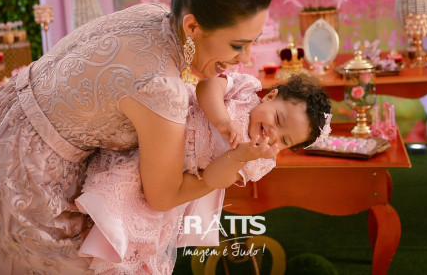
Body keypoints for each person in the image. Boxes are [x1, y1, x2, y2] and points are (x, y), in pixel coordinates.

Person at [0, 0, 279, 274]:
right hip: (23, 183)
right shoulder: (162, 89)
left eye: (253, 42)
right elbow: (163, 196)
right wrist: (227, 168)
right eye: (238, 45)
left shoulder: (150, 16)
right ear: (193, 26)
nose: (246, 58)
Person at [75, 73, 332, 273]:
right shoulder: (246, 91)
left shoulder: (258, 160)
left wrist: (240, 156)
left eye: (284, 140)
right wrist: (222, 119)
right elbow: (208, 86)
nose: (274, 133)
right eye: (278, 119)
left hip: (169, 168)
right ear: (270, 96)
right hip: (167, 119)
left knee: (129, 217)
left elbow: (212, 180)